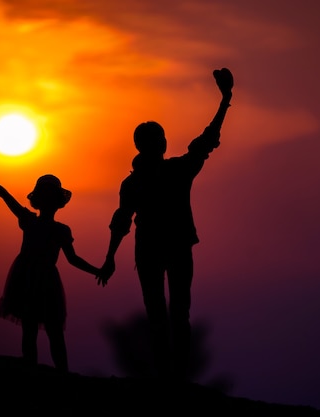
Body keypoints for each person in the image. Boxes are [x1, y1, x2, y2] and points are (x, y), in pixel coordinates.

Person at [98, 68, 234, 380]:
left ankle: (165, 377)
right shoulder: (177, 171)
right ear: (160, 144)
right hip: (174, 246)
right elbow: (206, 141)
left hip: (149, 250)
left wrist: (109, 258)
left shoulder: (134, 182)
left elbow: (121, 222)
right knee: (178, 314)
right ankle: (176, 379)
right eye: (160, 138)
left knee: (159, 314)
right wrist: (224, 100)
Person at [0, 157, 100, 372]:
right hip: (29, 279)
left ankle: (60, 374)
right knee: (32, 330)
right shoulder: (32, 221)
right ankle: (37, 372)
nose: (48, 199)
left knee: (52, 331)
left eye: (50, 195)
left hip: (42, 281)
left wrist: (98, 270)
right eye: (45, 194)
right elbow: (5, 196)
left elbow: (73, 259)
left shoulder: (57, 229)